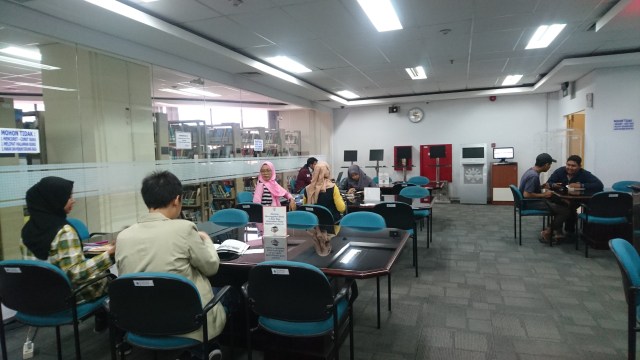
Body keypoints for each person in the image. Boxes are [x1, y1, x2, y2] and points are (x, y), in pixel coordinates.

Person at [115, 171, 225, 357]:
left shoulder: (123, 236)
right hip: (186, 321)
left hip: (139, 318)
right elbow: (211, 267)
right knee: (230, 295)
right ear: (176, 200)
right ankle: (204, 349)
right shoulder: (184, 228)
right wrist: (205, 240)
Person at [20, 176, 114, 330]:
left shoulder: (26, 230)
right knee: (113, 281)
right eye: (69, 196)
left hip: (38, 296)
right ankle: (117, 334)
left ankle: (102, 320)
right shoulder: (64, 231)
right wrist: (109, 254)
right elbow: (75, 274)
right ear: (54, 199)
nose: (73, 200)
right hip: (67, 296)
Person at [519, 153, 572, 244]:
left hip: (529, 201)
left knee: (561, 204)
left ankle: (557, 231)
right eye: (550, 165)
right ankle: (547, 233)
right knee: (565, 211)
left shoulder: (531, 171)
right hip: (529, 203)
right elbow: (526, 195)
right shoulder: (533, 176)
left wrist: (541, 187)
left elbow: (529, 189)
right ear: (546, 165)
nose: (550, 167)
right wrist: (544, 195)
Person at [546, 155, 603, 232]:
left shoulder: (584, 173)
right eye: (568, 165)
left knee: (570, 207)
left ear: (579, 166)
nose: (570, 167)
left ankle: (557, 231)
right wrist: (554, 185)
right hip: (558, 198)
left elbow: (599, 185)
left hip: (575, 199)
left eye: (573, 166)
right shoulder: (560, 171)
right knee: (568, 208)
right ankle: (565, 232)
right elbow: (549, 183)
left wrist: (580, 185)